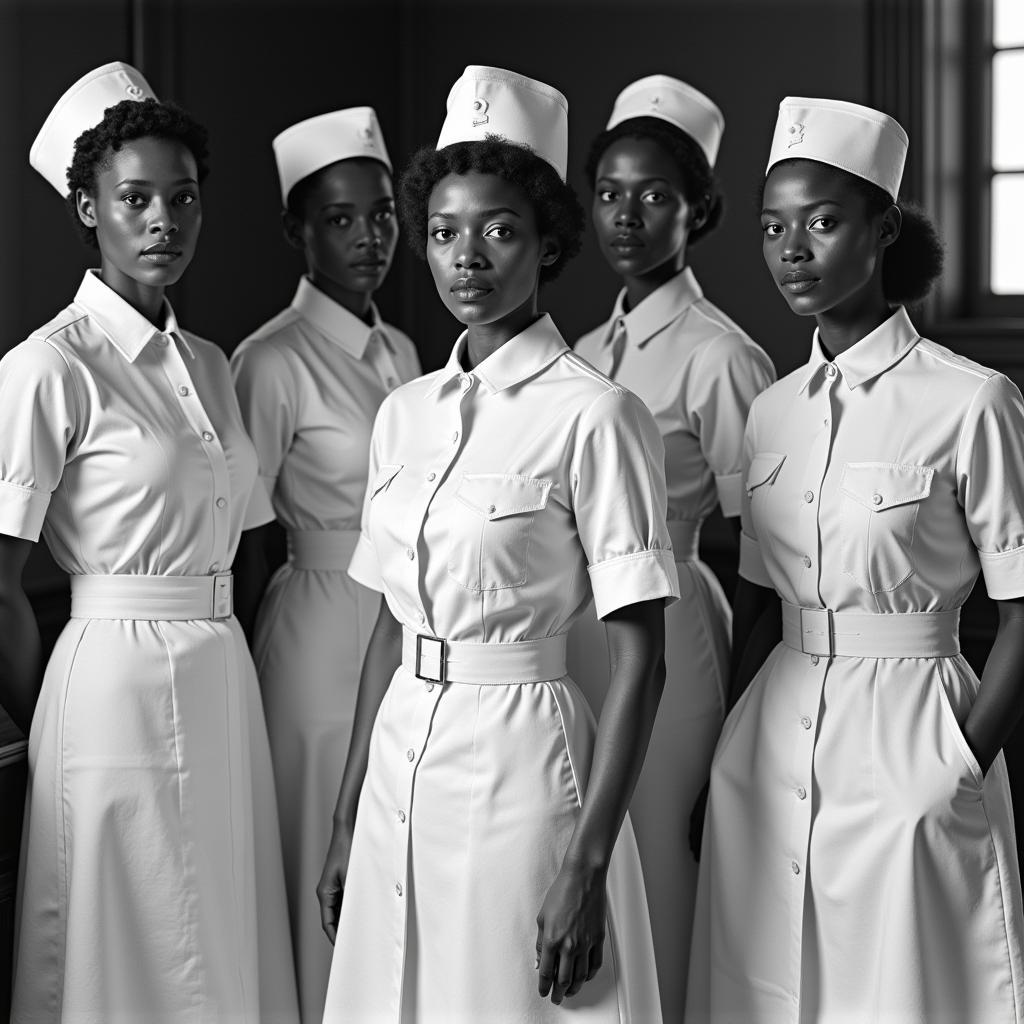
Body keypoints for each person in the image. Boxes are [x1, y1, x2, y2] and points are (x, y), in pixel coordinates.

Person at [316, 65, 678, 1023]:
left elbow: (642, 653)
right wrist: (350, 815)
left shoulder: (598, 416)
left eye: (499, 229)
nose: (465, 257)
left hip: (525, 765)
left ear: (550, 243)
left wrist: (588, 860)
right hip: (402, 760)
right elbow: (391, 628)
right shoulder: (403, 414)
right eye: (442, 232)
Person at [686, 96, 1024, 1023]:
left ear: (883, 232)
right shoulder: (774, 409)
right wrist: (725, 754)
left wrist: (956, 767)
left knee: (902, 991)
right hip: (772, 735)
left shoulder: (972, 402)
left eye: (824, 223)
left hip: (913, 732)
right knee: (766, 982)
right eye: (773, 228)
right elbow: (758, 604)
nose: (793, 249)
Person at [2, 62, 298, 1022]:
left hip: (223, 679)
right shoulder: (50, 368)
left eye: (183, 198)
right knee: (120, 942)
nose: (163, 220)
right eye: (134, 198)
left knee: (213, 938)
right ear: (88, 208)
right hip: (109, 693)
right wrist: (55, 725)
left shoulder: (211, 365)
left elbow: (249, 545)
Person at [567, 74, 775, 1019]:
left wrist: (740, 717)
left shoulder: (720, 356)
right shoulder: (578, 347)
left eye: (655, 196)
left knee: (659, 864)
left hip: (675, 631)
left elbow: (766, 553)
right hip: (573, 636)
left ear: (700, 212)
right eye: (609, 193)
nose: (627, 216)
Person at [230, 105, 420, 1023]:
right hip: (313, 623)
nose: (369, 237)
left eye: (381, 213)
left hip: (406, 623)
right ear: (296, 231)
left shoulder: (407, 351)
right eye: (340, 219)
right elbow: (244, 531)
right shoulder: (269, 360)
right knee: (320, 839)